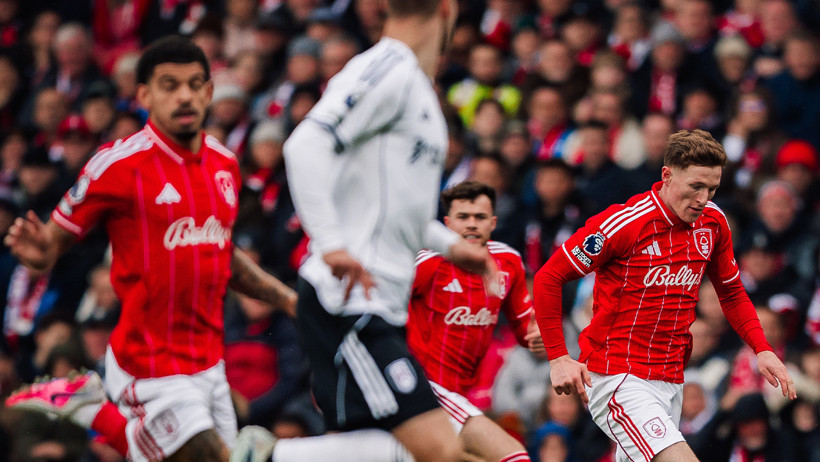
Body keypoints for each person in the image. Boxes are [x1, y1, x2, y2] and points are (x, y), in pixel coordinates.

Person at [4, 36, 297, 462]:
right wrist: (38, 252)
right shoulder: (117, 165)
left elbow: (219, 253)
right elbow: (50, 243)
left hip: (209, 361)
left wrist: (290, 299)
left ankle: (92, 408)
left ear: (209, 92)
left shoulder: (225, 165)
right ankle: (100, 409)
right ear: (144, 94)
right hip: (148, 362)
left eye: (195, 84)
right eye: (169, 84)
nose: (185, 96)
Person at [259, 1, 496, 461]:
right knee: (441, 452)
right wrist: (330, 244)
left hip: (379, 302)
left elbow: (390, 203)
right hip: (348, 301)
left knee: (399, 453)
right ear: (447, 9)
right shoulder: (386, 68)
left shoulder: (415, 86)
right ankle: (267, 458)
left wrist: (451, 245)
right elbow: (304, 144)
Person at [533, 129, 796, 462]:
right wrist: (558, 357)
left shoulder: (713, 223)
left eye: (712, 189)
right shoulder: (624, 223)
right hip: (618, 377)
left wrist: (762, 349)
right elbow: (548, 277)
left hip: (671, 381)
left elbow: (730, 292)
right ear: (667, 176)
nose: (703, 199)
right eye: (695, 186)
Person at [407, 180, 538, 462]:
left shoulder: (509, 262)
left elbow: (524, 331)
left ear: (493, 222)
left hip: (464, 396)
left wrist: (539, 338)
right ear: (446, 223)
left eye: (479, 218)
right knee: (514, 457)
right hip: (426, 391)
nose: (471, 225)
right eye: (462, 217)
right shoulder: (426, 263)